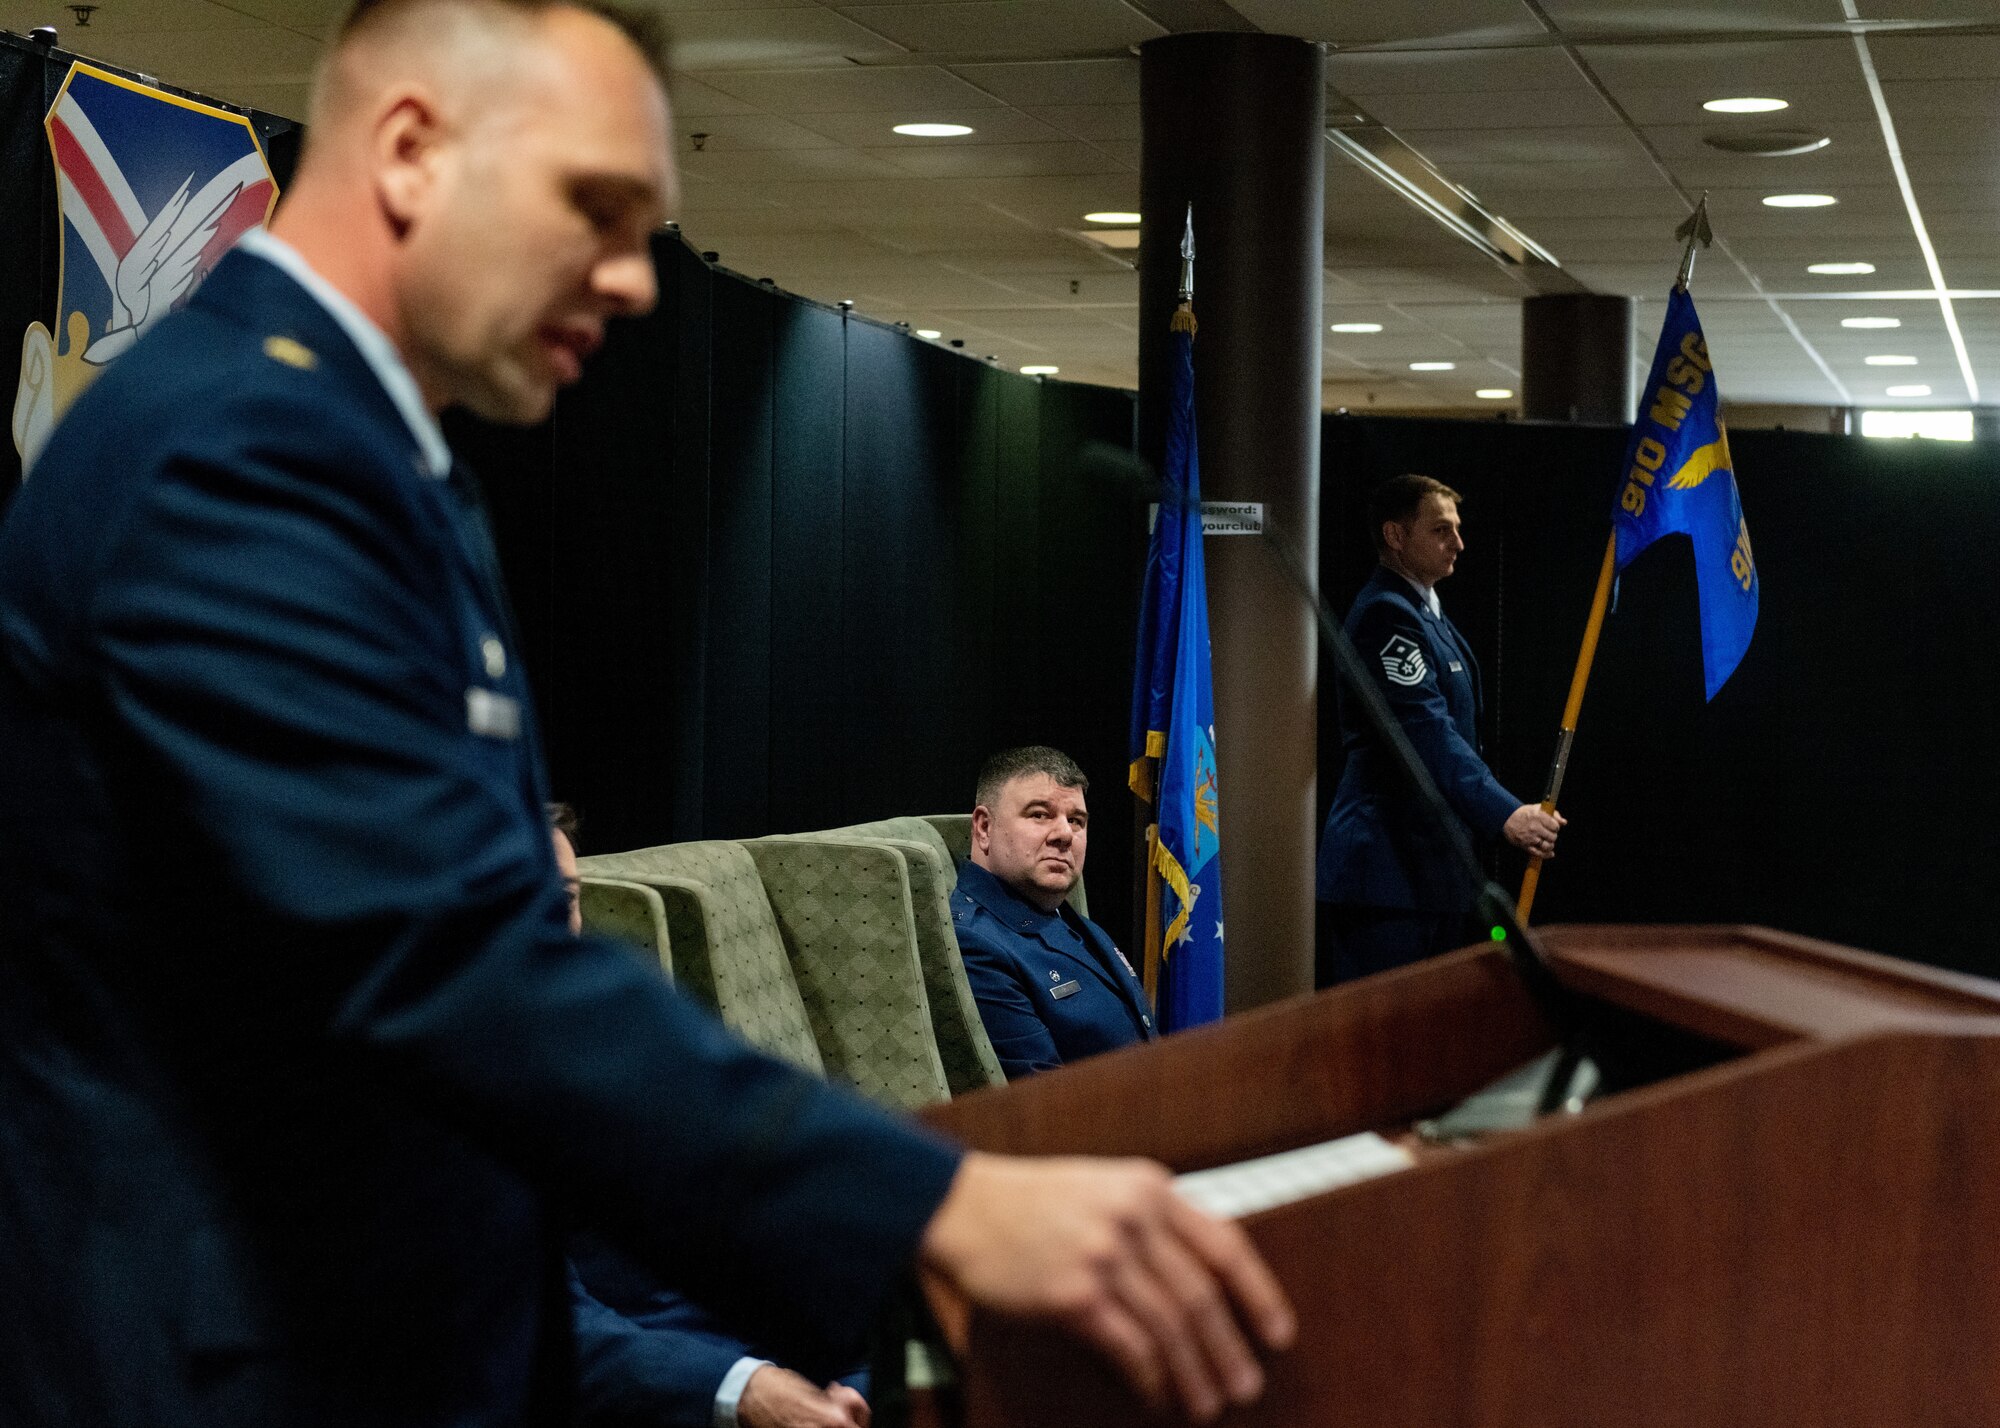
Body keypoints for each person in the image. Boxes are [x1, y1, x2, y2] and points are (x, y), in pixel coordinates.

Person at [0, 4, 1294, 1425]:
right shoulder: (240, 458)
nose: (632, 281)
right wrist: (938, 1210)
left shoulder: (380, 457)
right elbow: (444, 970)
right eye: (597, 210)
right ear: (414, 148)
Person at [550, 806, 868, 1428]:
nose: (551, 921)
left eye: (563, 897)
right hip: (665, 1390)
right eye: (520, 895)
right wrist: (746, 1392)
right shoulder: (443, 1086)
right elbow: (544, 1324)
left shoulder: (620, 1022)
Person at [1316, 474, 1566, 984]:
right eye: (1441, 530)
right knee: (1383, 1040)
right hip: (1385, 875)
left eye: (1457, 528)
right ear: (1395, 535)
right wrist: (1505, 814)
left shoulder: (1426, 612)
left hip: (1429, 873)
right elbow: (1424, 730)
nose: (1458, 542)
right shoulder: (1386, 615)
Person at [952, 747, 1156, 1079]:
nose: (1064, 834)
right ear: (984, 828)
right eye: (1039, 815)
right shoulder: (974, 943)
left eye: (1076, 820)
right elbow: (1042, 1100)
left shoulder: (1057, 911)